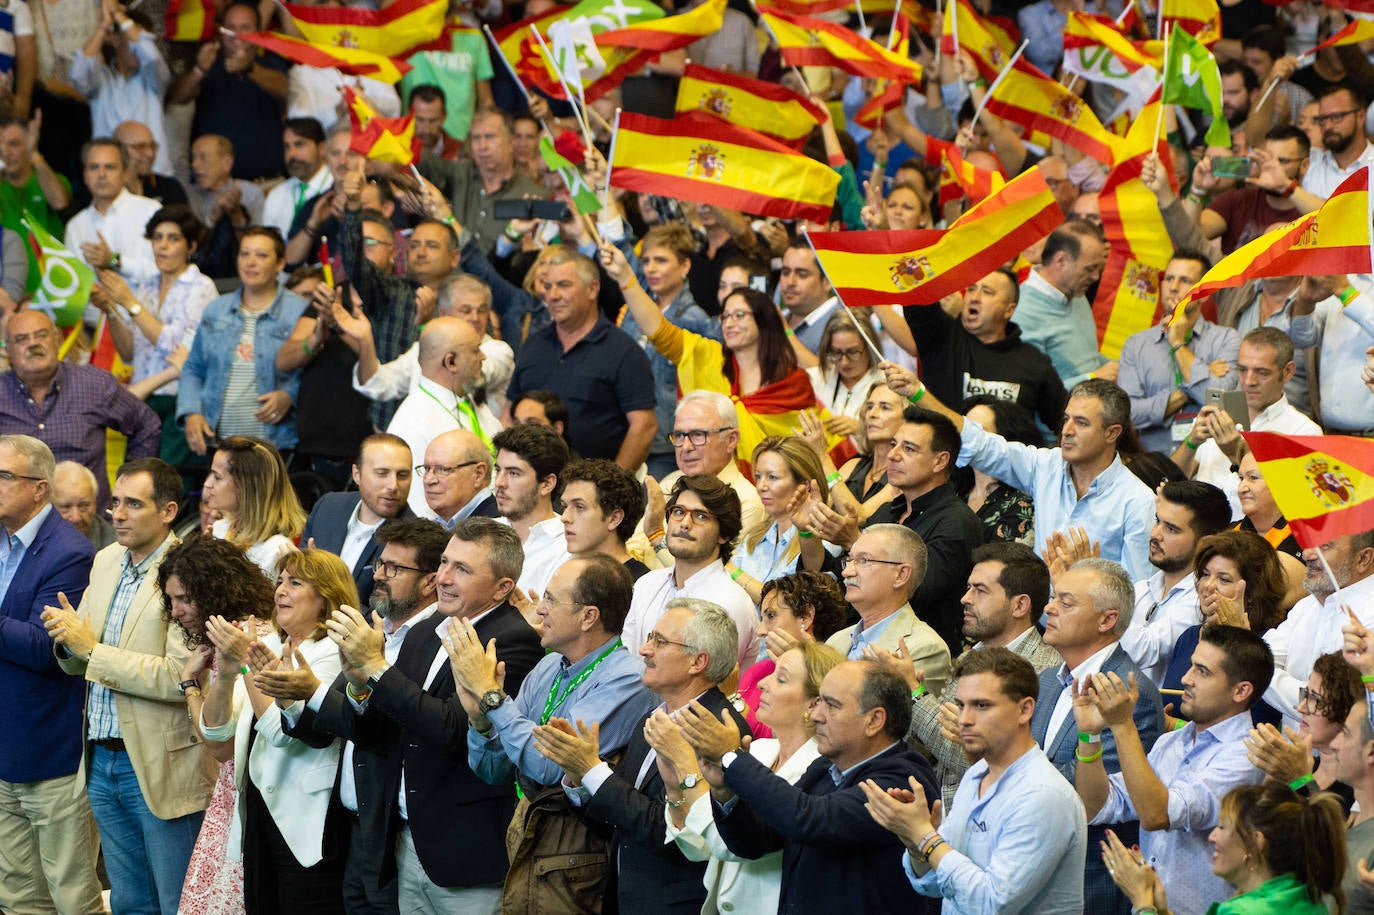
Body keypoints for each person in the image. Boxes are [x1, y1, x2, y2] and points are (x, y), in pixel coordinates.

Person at [43, 457, 210, 915]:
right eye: (115, 502)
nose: (117, 513)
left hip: (159, 763)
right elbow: (83, 649)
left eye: (133, 504)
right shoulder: (105, 560)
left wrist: (91, 651)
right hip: (100, 759)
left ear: (169, 511)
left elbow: (182, 675)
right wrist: (66, 641)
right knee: (130, 902)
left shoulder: (188, 571)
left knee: (176, 901)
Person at [453, 554, 656, 913]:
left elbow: (547, 768)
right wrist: (481, 720)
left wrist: (492, 697)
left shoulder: (627, 678)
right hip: (525, 835)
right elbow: (492, 769)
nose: (539, 609)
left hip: (576, 858)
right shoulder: (547, 665)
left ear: (588, 616)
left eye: (550, 599)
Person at [683, 658, 940, 913]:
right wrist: (723, 789)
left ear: (874, 720)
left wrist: (732, 757)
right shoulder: (825, 767)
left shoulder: (902, 780)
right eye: (819, 703)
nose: (815, 715)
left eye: (832, 706)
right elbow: (756, 842)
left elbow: (809, 819)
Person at [866, 647, 1089, 914]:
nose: (965, 720)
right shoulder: (975, 775)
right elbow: (935, 884)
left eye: (981, 705)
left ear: (1025, 710)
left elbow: (991, 904)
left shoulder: (1044, 795)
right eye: (961, 705)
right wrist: (915, 843)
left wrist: (924, 836)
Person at [1075, 624, 1273, 915]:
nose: (1185, 679)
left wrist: (1122, 724)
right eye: (1191, 666)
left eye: (1202, 672)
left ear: (1241, 690)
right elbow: (1097, 806)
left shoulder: (1246, 756)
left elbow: (1158, 814)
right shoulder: (1170, 743)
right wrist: (1089, 735)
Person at [890, 367, 1157, 581]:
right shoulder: (1045, 465)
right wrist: (918, 394)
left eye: (1082, 422)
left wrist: (1087, 579)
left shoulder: (1137, 502)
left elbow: (1138, 594)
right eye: (1067, 419)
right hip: (1036, 623)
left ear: (1112, 433)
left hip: (1094, 638)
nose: (1067, 430)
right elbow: (980, 443)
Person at [200, 549, 353, 913]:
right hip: (258, 812)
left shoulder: (333, 652)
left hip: (308, 820)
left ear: (326, 598)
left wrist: (249, 667)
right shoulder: (265, 645)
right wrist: (225, 674)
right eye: (280, 581)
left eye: (295, 583)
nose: (281, 590)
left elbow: (283, 732)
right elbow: (218, 733)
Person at [603, 246, 851, 470]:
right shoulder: (707, 355)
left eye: (740, 315)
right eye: (726, 316)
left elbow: (817, 443)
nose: (730, 323)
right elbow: (658, 330)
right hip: (709, 487)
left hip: (773, 494)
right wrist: (626, 278)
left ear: (763, 321)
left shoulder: (791, 383)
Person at [654, 639, 844, 914]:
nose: (763, 683)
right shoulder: (758, 749)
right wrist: (675, 788)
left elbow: (735, 846)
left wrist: (687, 768)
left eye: (780, 679)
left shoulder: (819, 772)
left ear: (814, 703)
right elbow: (700, 848)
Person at [0, 435, 102, 915]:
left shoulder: (70, 553)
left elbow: (48, 648)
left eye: (3, 477)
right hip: (5, 751)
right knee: (18, 897)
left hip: (52, 757)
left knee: (72, 897)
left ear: (39, 488)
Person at [160, 535, 276, 915]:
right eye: (171, 599)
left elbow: (220, 744)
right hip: (229, 800)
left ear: (214, 591)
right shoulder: (221, 641)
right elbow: (214, 735)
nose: (175, 611)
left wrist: (192, 686)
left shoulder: (252, 639)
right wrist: (191, 684)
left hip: (253, 805)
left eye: (184, 598)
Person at [504, 246, 657, 468]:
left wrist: (608, 486)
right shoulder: (533, 344)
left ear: (593, 289)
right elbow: (508, 414)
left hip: (593, 486)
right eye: (548, 286)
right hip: (531, 481)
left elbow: (644, 427)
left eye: (564, 285)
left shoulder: (624, 351)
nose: (553, 296)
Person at [1105, 781, 1348, 915]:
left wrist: (1142, 903)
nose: (1212, 836)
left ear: (1256, 842)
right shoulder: (1305, 895)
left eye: (1222, 827)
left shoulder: (1244, 911)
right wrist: (1161, 909)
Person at [0, 308, 160, 511]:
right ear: (8, 351)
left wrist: (130, 484)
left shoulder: (93, 384)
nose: (33, 343)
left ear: (57, 340)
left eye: (41, 335)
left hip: (87, 523)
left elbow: (147, 424)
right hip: (15, 526)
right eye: (22, 338)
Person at [93, 204, 217, 465]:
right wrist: (112, 310)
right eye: (157, 238)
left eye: (173, 239)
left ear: (191, 247)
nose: (162, 246)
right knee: (137, 479)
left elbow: (177, 348)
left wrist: (130, 304)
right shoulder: (146, 286)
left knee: (168, 483)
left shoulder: (201, 286)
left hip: (178, 400)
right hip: (142, 398)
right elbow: (128, 353)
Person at [854, 407, 986, 651]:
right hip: (861, 637)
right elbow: (847, 583)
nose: (892, 455)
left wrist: (852, 541)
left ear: (940, 460)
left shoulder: (957, 521)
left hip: (918, 652)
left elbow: (915, 591)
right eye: (894, 444)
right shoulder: (886, 512)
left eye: (908, 449)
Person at [177, 227, 311, 456]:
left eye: (261, 255)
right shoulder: (216, 309)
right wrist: (191, 412)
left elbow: (314, 373)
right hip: (219, 440)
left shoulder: (300, 310)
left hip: (275, 443)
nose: (250, 262)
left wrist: (290, 395)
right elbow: (193, 368)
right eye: (244, 254)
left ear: (280, 263)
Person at [1173, 328, 1321, 517]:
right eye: (1242, 370)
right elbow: (1173, 482)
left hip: (1253, 541)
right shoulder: (1214, 415)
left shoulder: (1305, 432)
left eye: (1262, 372)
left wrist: (1237, 454)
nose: (1249, 381)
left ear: (1288, 371)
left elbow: (1294, 507)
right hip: (1202, 534)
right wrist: (1191, 441)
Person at [902, 267, 1067, 434]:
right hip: (946, 458)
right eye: (972, 289)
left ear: (1009, 310)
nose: (974, 297)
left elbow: (1065, 420)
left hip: (1008, 459)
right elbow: (915, 291)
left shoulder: (1035, 362)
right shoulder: (940, 337)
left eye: (987, 292)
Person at [624, 474, 761, 668]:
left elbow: (705, 688)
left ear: (724, 534)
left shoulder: (729, 604)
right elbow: (626, 660)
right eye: (678, 511)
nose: (685, 523)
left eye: (701, 516)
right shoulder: (647, 584)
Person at [1118, 251, 1241, 454]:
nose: (1173, 287)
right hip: (1152, 463)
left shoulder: (1226, 339)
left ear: (1206, 293)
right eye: (1169, 279)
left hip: (1208, 463)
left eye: (1184, 280)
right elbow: (1128, 415)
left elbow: (1222, 402)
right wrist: (1193, 386)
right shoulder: (1136, 344)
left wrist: (1177, 343)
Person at [1120, 480, 1234, 687]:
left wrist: (1096, 597)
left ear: (1205, 543)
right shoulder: (1142, 589)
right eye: (1157, 522)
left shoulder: (1204, 600)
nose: (1155, 535)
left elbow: (1144, 650)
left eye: (1171, 529)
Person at [1161, 531, 1289, 709]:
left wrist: (1240, 641)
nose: (1207, 586)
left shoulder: (1270, 645)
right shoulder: (1189, 636)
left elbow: (1254, 726)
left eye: (1223, 579)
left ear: (1252, 593)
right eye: (1205, 574)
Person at [384, 317, 495, 516]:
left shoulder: (468, 401)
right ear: (451, 362)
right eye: (476, 350)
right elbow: (419, 513)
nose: (483, 356)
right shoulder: (413, 423)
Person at [827, 524, 952, 697]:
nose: (847, 572)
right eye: (848, 561)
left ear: (901, 575)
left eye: (864, 561)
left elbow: (911, 721)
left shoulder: (926, 648)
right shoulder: (836, 640)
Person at [1264, 530, 1374, 724]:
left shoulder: (1369, 615)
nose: (1307, 554)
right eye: (1309, 542)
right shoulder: (1307, 605)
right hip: (1294, 751)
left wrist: (1262, 678)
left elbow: (1330, 707)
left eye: (1325, 546)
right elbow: (1258, 659)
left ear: (1363, 558)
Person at [300, 433, 414, 605]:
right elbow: (298, 577)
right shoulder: (328, 507)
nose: (393, 485)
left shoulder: (412, 536)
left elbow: (386, 614)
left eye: (403, 475)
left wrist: (324, 585)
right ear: (356, 474)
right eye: (382, 473)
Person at [1246, 651, 1362, 811]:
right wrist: (1274, 779)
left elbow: (1331, 830)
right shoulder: (1306, 767)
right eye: (1305, 694)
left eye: (1316, 700)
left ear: (1352, 713)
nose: (1301, 708)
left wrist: (1299, 780)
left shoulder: (1361, 789)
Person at [739, 571, 849, 739]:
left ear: (806, 616)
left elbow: (781, 738)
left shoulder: (831, 682)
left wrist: (732, 699)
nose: (760, 631)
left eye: (771, 616)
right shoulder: (759, 671)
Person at [418, 109, 544, 252]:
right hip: (454, 272)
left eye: (490, 137)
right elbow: (425, 161)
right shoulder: (460, 173)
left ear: (510, 142)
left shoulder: (532, 193)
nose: (482, 146)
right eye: (476, 138)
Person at [727, 436, 831, 605]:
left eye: (772, 477)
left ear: (805, 485)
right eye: (758, 476)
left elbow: (787, 605)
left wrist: (732, 571)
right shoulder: (753, 538)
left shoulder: (823, 539)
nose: (761, 486)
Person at [1013, 220, 1114, 387]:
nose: (1096, 277)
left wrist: (1120, 367)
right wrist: (1092, 378)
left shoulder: (1076, 293)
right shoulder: (1024, 313)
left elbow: (1089, 359)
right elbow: (1031, 391)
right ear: (1060, 261)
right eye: (1089, 269)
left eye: (1099, 269)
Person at [64, 136, 160, 290]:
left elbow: (161, 272)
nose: (101, 174)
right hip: (93, 313)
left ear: (126, 173)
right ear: (85, 176)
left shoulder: (150, 211)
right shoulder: (76, 226)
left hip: (140, 312)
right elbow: (73, 286)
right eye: (94, 167)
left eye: (110, 167)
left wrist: (114, 260)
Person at [202, 436, 305, 577]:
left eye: (217, 477)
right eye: (211, 474)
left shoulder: (277, 551)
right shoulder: (217, 530)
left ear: (246, 487)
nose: (207, 484)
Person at [491, 423, 572, 601]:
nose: (499, 482)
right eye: (498, 470)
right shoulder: (485, 532)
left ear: (547, 484)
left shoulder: (568, 547)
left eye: (513, 473)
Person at [955, 397, 1039, 547]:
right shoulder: (956, 489)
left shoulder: (1021, 501)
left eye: (979, 432)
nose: (968, 440)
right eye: (966, 430)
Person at [1235, 450, 1309, 607]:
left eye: (1253, 478)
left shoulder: (1303, 536)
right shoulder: (1231, 529)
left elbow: (1261, 596)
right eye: (1240, 478)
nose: (1241, 488)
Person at [559, 458, 649, 579]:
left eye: (579, 507)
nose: (564, 518)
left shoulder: (643, 586)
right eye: (564, 506)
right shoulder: (563, 570)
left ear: (614, 518)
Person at [806, 313, 884, 439]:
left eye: (852, 352)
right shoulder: (816, 378)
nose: (844, 362)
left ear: (870, 347)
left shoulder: (887, 385)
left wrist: (862, 428)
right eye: (836, 352)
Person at [260, 118, 329, 241]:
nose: (292, 154)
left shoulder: (335, 187)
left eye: (299, 145)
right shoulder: (277, 195)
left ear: (322, 148)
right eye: (287, 147)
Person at [418, 430, 498, 528]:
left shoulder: (493, 531)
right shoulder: (439, 526)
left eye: (442, 469)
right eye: (427, 468)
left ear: (478, 474)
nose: (428, 480)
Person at [52, 460, 116, 550]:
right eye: (66, 507)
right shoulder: (32, 536)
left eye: (83, 506)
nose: (76, 518)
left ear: (95, 505)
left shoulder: (114, 546)